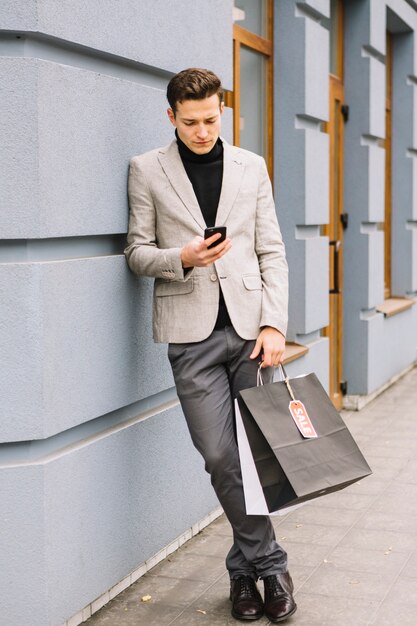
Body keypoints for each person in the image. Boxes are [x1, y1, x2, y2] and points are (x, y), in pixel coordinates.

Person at [125, 68, 296, 623]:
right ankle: (270, 563)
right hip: (190, 334)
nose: (202, 131)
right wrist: (183, 258)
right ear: (171, 116)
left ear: (223, 111)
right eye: (191, 122)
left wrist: (273, 325)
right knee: (220, 454)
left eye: (211, 119)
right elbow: (136, 253)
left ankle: (242, 574)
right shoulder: (147, 170)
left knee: (252, 455)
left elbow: (271, 250)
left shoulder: (252, 167)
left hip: (250, 333)